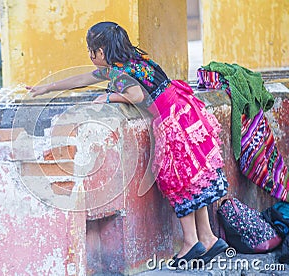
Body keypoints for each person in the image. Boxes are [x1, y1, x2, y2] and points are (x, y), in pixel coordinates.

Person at [27, 21, 229, 267]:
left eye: (92, 50)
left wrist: (108, 97)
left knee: (178, 181)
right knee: (194, 179)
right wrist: (47, 87)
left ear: (101, 52)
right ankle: (207, 238)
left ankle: (190, 242)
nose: (90, 56)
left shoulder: (120, 74)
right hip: (185, 111)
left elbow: (136, 96)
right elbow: (83, 78)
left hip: (172, 121)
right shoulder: (134, 61)